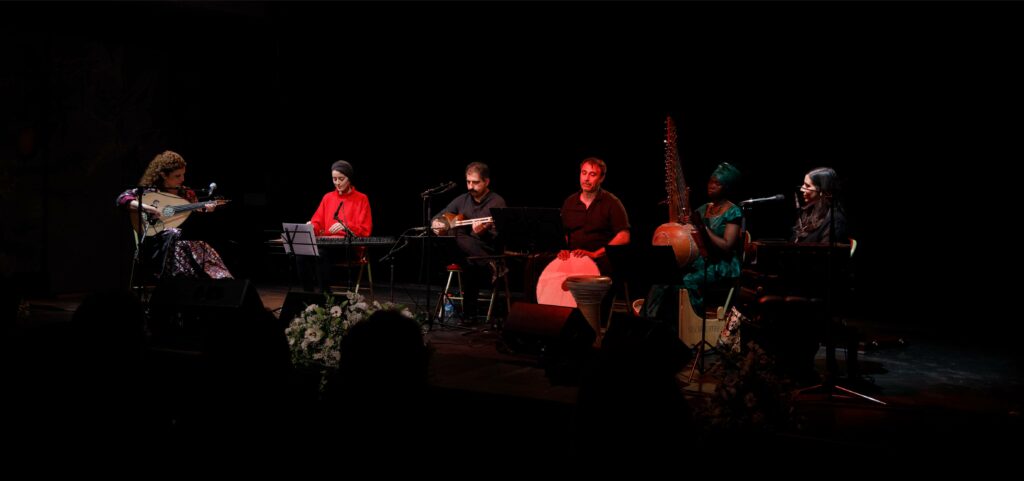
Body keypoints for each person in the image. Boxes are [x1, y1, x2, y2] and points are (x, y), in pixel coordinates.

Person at [645, 162, 743, 319]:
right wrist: (684, 220)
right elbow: (689, 233)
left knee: (687, 280)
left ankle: (692, 322)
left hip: (722, 265)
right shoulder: (704, 208)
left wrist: (703, 228)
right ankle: (649, 320)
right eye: (711, 181)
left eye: (717, 183)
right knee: (664, 274)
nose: (711, 185)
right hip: (701, 260)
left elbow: (726, 246)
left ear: (727, 187)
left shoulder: (734, 211)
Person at [116, 150, 232, 280]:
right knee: (177, 235)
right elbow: (122, 199)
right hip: (155, 243)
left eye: (183, 175)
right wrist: (148, 208)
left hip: (183, 241)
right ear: (163, 175)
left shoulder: (187, 194)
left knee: (190, 239)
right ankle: (209, 276)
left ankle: (209, 277)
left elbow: (194, 223)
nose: (182, 179)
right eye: (177, 176)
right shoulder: (150, 192)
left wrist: (207, 212)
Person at [431, 162, 507, 320]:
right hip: (470, 256)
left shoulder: (496, 202)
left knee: (457, 234)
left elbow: (500, 235)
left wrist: (482, 232)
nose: (470, 186)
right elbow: (440, 215)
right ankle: (469, 314)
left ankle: (469, 313)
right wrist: (437, 222)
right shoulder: (463, 199)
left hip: (488, 249)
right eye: (468, 182)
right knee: (454, 236)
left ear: (486, 182)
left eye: (475, 182)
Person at [301, 160, 373, 292]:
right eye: (334, 179)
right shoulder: (328, 197)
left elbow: (365, 230)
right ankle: (309, 295)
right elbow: (318, 221)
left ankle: (325, 296)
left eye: (341, 179)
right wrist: (312, 226)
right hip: (327, 245)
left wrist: (346, 227)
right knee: (302, 253)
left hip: (348, 248)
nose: (337, 183)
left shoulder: (361, 199)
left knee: (320, 254)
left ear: (349, 179)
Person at [558, 157, 631, 275]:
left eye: (592, 174)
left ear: (601, 178)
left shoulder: (612, 202)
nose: (586, 179)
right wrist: (564, 250)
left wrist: (595, 254)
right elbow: (564, 233)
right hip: (574, 260)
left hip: (600, 260)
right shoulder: (569, 202)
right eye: (584, 173)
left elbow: (624, 236)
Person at [793, 166, 847, 243]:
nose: (801, 189)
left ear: (822, 191)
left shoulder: (835, 221)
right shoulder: (809, 213)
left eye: (807, 186)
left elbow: (826, 252)